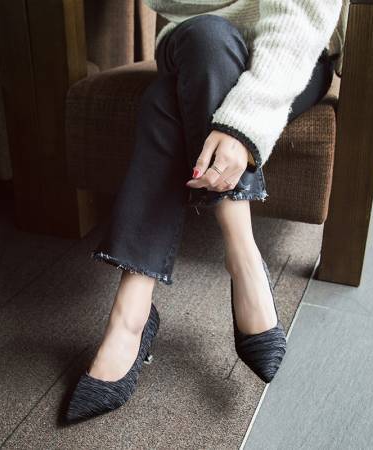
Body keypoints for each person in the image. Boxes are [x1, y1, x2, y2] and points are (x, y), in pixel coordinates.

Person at [65, 0, 346, 423]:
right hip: (191, 41)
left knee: (166, 99)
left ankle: (132, 313)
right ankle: (243, 253)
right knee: (208, 36)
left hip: (289, 52)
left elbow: (302, 16)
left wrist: (242, 125)